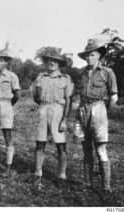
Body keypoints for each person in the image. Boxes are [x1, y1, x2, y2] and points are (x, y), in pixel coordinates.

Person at [75, 38, 118, 192]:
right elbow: (77, 94)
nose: (89, 58)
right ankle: (88, 183)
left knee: (100, 149)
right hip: (82, 110)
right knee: (86, 149)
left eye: (92, 55)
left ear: (99, 55)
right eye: (87, 55)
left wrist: (104, 111)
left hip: (99, 109)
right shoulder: (82, 74)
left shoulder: (107, 72)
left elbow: (114, 97)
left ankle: (106, 187)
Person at [32, 48, 73, 188]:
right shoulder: (41, 77)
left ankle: (61, 175)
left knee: (60, 145)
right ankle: (38, 173)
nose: (52, 63)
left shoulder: (65, 79)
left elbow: (68, 100)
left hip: (58, 111)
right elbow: (35, 96)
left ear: (59, 63)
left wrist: (64, 120)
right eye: (50, 60)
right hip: (43, 109)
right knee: (40, 143)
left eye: (55, 61)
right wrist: (43, 107)